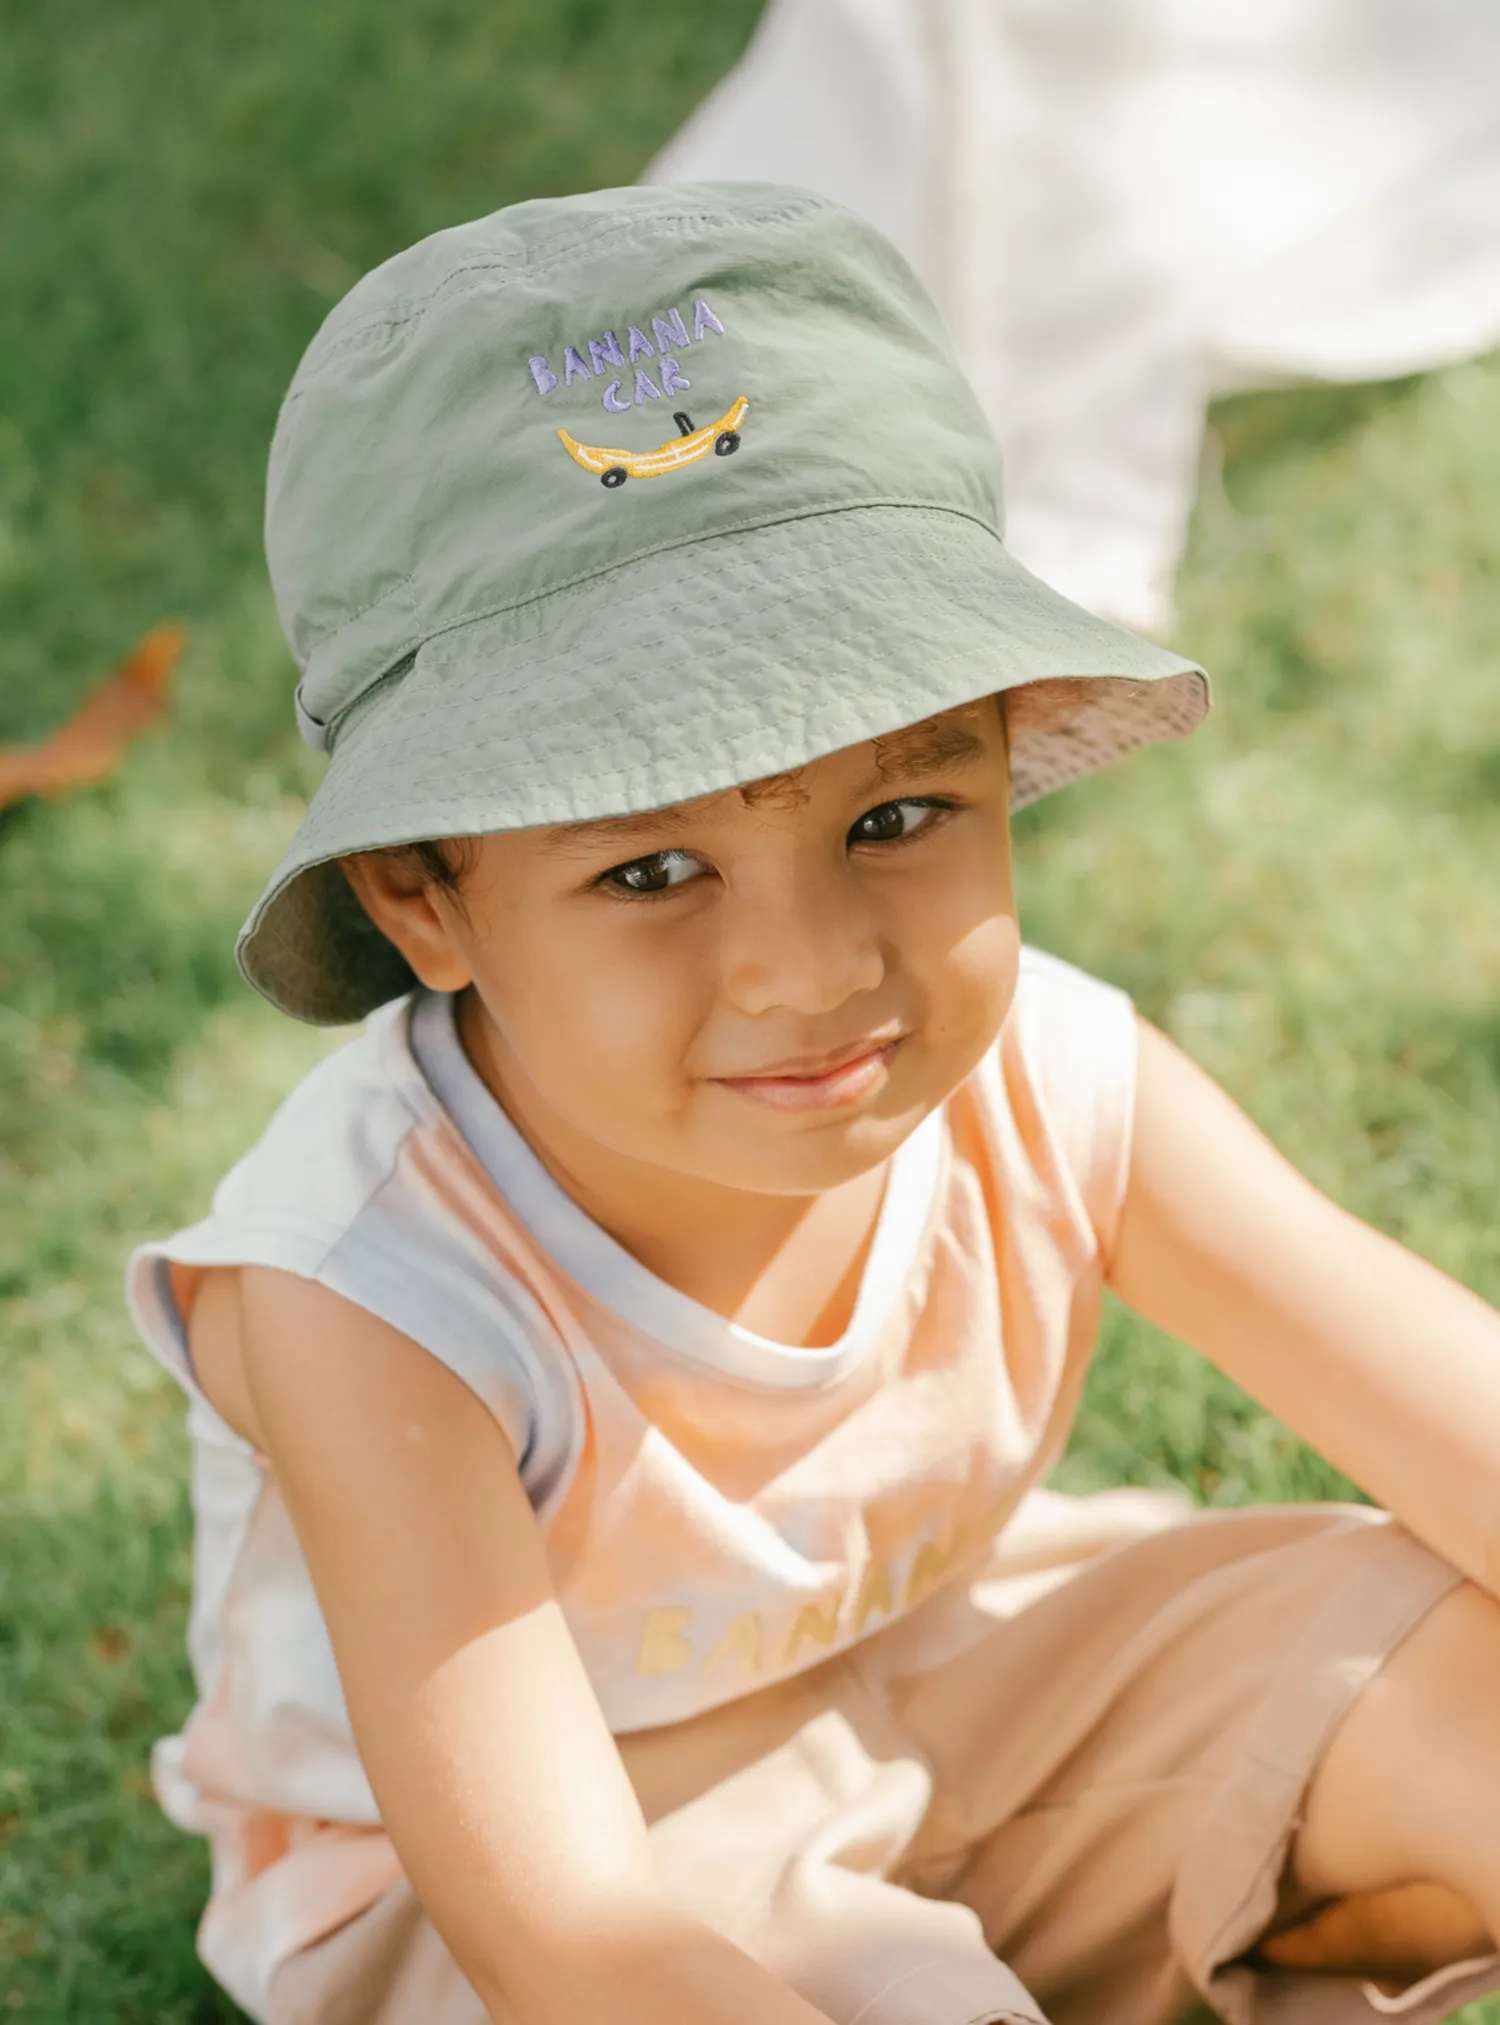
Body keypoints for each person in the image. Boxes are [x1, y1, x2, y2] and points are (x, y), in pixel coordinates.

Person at [127, 184, 1500, 2025]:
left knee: (1458, 1684)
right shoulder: (370, 1291)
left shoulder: (1054, 1080)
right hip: (545, 1880)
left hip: (962, 1691)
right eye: (648, 873)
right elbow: (565, 1933)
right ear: (425, 901)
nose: (810, 969)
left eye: (896, 820)